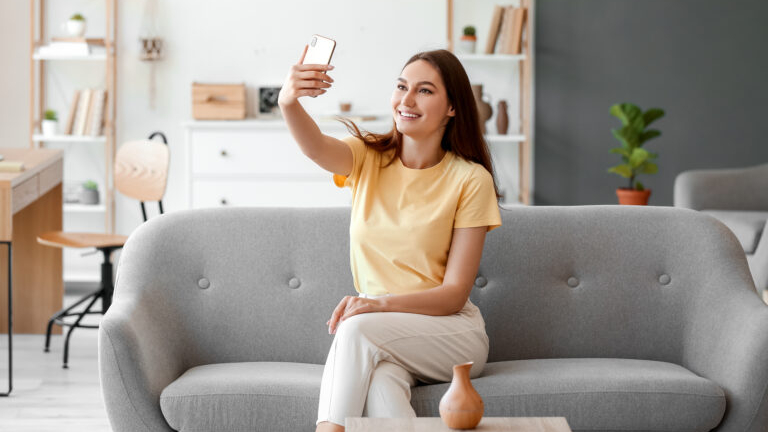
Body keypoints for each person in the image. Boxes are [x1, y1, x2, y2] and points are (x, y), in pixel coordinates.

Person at [278, 45, 503, 432]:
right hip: (384, 335)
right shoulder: (367, 158)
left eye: (425, 90)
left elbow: (453, 295)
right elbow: (316, 148)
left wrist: (376, 305)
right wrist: (288, 101)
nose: (407, 99)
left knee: (356, 327)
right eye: (402, 86)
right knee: (380, 385)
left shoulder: (470, 179)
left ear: (452, 108)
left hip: (452, 332)